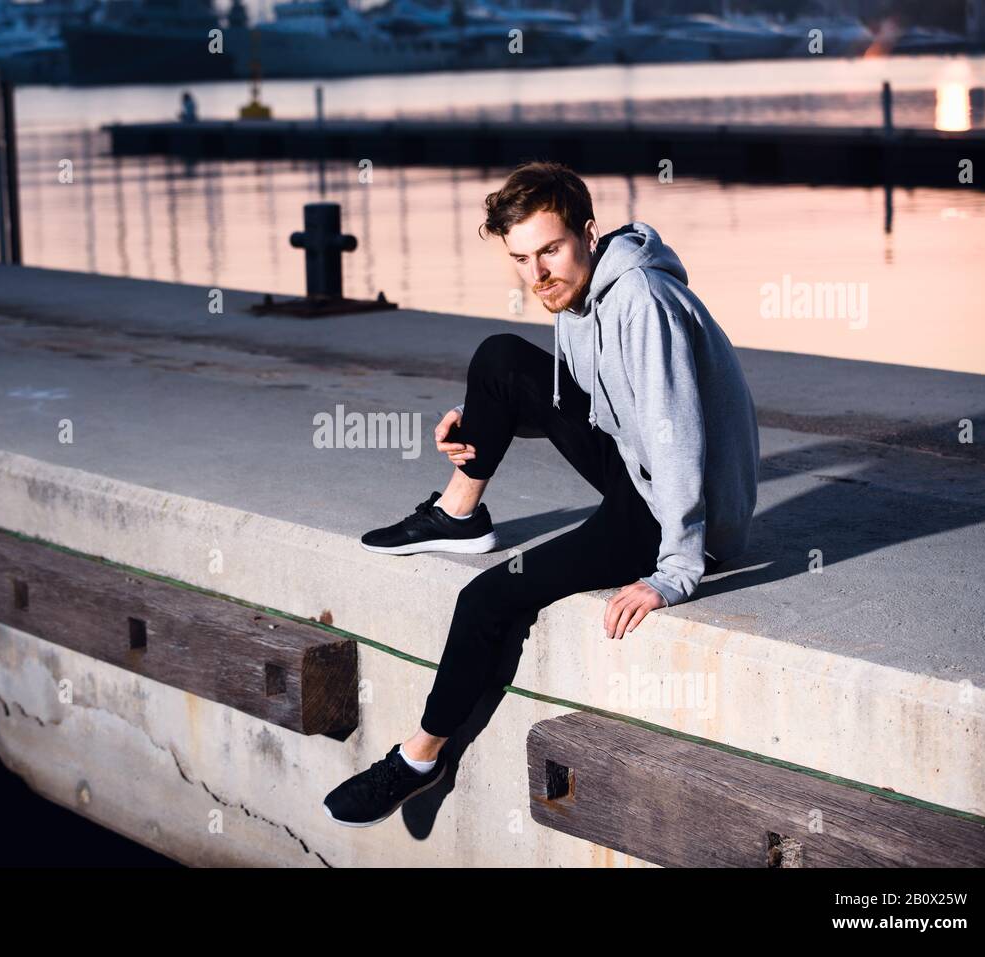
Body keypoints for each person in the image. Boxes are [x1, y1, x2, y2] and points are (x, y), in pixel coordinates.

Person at [322, 160, 760, 828]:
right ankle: (458, 514)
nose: (538, 273)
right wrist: (483, 426)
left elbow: (678, 437)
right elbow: (590, 408)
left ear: (587, 232)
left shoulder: (640, 300)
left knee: (488, 597)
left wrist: (674, 571)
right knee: (499, 360)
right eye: (522, 258)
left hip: (669, 507)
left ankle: (418, 758)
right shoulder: (577, 295)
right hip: (633, 464)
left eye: (550, 250)